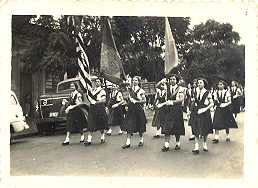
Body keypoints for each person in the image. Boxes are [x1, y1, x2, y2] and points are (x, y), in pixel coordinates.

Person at [188, 78, 214, 154]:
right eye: (198, 83)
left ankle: (205, 143)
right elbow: (194, 102)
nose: (199, 84)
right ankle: (196, 146)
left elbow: (212, 103)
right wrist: (190, 111)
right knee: (195, 128)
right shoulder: (195, 91)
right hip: (196, 111)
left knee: (205, 129)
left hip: (204, 112)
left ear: (204, 84)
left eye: (201, 83)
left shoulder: (207, 93)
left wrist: (205, 109)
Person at [121, 76, 147, 149]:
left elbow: (144, 100)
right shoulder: (130, 90)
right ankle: (128, 142)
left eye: (136, 80)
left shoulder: (141, 91)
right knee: (129, 125)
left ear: (138, 82)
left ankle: (141, 140)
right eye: (133, 80)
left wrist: (137, 101)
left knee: (139, 125)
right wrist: (127, 105)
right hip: (131, 109)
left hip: (138, 109)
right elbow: (129, 100)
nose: (134, 81)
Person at [161, 74, 185, 152]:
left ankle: (178, 143)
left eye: (173, 79)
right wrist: (162, 81)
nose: (172, 81)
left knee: (177, 127)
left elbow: (181, 99)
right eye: (170, 79)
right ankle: (166, 145)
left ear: (176, 80)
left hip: (177, 109)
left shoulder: (180, 88)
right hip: (169, 109)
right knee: (167, 127)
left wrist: (172, 102)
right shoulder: (167, 87)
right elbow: (157, 86)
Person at [84, 77, 109, 146]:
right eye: (96, 81)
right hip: (92, 108)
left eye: (98, 81)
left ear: (101, 83)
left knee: (101, 123)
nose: (97, 83)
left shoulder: (102, 91)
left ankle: (102, 136)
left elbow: (104, 100)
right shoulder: (92, 90)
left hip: (99, 108)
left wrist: (96, 102)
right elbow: (89, 97)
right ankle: (89, 140)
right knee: (91, 122)